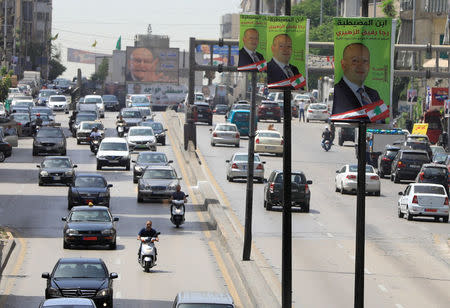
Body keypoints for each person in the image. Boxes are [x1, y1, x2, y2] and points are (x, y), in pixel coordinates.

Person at [332, 43, 381, 116]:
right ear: (343, 64)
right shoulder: (337, 92)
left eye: (365, 61)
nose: (361, 65)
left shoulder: (374, 94)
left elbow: (380, 119)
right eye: (355, 61)